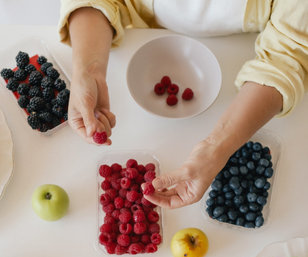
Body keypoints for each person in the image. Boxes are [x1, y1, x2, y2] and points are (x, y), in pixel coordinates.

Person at [58, 1, 308, 209]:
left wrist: (216, 148)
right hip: (141, 41)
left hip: (242, 62)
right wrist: (88, 70)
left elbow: (287, 58)